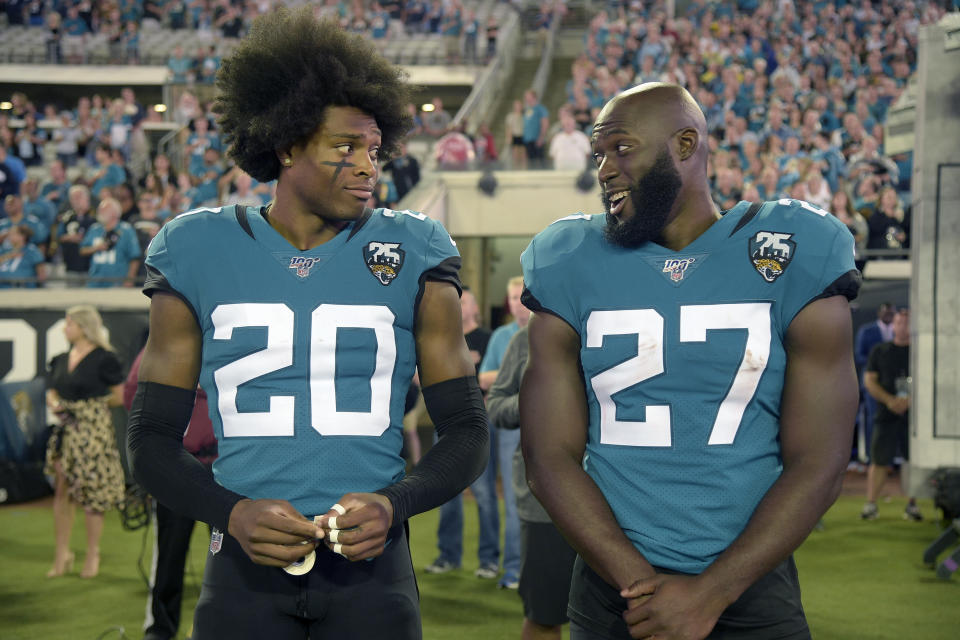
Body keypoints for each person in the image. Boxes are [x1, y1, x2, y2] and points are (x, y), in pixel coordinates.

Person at [125, 10, 488, 639]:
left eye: (374, 149)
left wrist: (395, 502)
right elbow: (150, 439)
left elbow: (467, 429)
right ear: (286, 143)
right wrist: (231, 511)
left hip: (371, 573)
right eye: (344, 146)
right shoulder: (196, 247)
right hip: (243, 571)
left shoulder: (414, 248)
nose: (367, 166)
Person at [519, 83, 861, 640]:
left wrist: (712, 593)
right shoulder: (570, 259)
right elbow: (547, 458)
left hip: (750, 582)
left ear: (684, 144)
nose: (604, 169)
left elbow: (820, 459)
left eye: (621, 148)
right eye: (598, 154)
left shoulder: (791, 246)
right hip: (614, 590)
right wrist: (642, 587)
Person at [487, 325, 576, 640]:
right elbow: (495, 404)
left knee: (630, 619)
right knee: (544, 615)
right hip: (547, 503)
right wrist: (531, 400)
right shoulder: (528, 338)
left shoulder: (620, 327)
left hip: (621, 501)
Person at [124, 348, 218, 640]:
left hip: (224, 465)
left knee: (233, 554)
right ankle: (161, 629)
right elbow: (133, 394)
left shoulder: (225, 336)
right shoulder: (165, 343)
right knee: (169, 554)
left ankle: (241, 625)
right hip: (178, 466)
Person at [44, 305, 127, 579]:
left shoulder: (105, 358)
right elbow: (52, 390)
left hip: (93, 433)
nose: (65, 329)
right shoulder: (59, 359)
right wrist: (56, 403)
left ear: (83, 326)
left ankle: (93, 552)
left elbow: (119, 395)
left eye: (69, 323)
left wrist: (90, 407)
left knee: (92, 493)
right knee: (62, 490)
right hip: (66, 431)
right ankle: (61, 552)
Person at [423, 286, 498, 577]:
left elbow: (498, 377)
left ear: (474, 305)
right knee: (446, 491)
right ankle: (448, 556)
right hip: (445, 422)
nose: (458, 305)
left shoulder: (488, 338)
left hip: (481, 421)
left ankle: (489, 560)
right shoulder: (444, 337)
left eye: (463, 300)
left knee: (484, 493)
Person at [476, 275, 531, 590]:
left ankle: (524, 567)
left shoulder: (548, 329)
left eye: (520, 295)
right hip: (510, 422)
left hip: (544, 424)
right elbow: (484, 379)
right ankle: (511, 569)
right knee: (510, 498)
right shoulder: (503, 336)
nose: (516, 302)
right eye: (511, 297)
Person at [861, 308, 922, 522]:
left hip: (915, 418)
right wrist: (890, 400)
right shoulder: (880, 351)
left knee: (912, 460)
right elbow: (869, 380)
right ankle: (870, 505)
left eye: (907, 322)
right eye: (899, 322)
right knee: (878, 459)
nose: (903, 326)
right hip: (886, 414)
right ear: (893, 326)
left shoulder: (922, 351)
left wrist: (910, 401)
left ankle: (912, 506)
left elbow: (928, 381)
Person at [79, 197, 141, 288]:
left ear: (114, 213)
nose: (99, 212)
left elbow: (134, 258)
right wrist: (95, 248)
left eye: (103, 209)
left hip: (117, 281)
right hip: (95, 282)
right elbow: (82, 250)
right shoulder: (94, 229)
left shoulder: (126, 230)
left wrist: (129, 279)